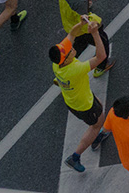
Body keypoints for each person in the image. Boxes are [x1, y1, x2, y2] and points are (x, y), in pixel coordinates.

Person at [53, 20, 110, 173]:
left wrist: (80, 23)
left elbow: (71, 34)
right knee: (96, 125)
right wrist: (95, 33)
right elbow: (101, 56)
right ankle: (75, 156)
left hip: (73, 101)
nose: (72, 48)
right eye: (69, 51)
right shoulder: (75, 69)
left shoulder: (57, 64)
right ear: (66, 59)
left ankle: (95, 135)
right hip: (85, 106)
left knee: (99, 110)